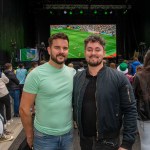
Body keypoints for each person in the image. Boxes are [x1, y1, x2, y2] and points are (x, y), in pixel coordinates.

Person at [73, 35, 137, 150]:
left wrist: (127, 144)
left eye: (97, 49)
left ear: (104, 52)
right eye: (89, 49)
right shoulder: (77, 78)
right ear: (84, 52)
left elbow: (130, 109)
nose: (93, 53)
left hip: (109, 143)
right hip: (84, 142)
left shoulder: (119, 78)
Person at [19, 33, 75, 150]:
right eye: (57, 47)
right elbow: (24, 109)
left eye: (64, 48)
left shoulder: (72, 73)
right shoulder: (36, 74)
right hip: (44, 137)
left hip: (68, 135)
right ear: (49, 50)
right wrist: (29, 135)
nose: (61, 51)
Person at [133, 50, 150, 150]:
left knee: (146, 143)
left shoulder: (139, 75)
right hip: (144, 115)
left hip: (144, 115)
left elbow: (132, 96)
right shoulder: (139, 75)